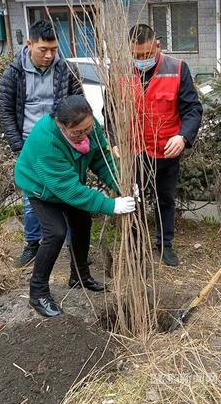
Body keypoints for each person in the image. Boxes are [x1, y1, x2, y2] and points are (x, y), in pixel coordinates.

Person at [14, 95, 136, 317]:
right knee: (55, 233)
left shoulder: (90, 127)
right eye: (77, 132)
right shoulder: (46, 139)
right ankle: (38, 292)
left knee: (82, 223)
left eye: (88, 128)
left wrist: (121, 184)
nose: (84, 134)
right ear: (61, 124)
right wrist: (110, 205)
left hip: (68, 183)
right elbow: (67, 188)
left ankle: (79, 277)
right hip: (40, 188)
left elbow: (101, 159)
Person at [109, 24, 203, 267]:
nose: (141, 60)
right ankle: (135, 243)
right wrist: (113, 140)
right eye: (136, 55)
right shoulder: (118, 72)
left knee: (165, 199)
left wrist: (183, 136)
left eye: (147, 55)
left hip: (165, 150)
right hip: (133, 151)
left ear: (157, 45)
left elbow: (192, 109)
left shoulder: (177, 69)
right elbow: (109, 111)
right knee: (133, 200)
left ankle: (165, 245)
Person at [0, 20, 82, 267]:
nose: (49, 55)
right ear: (29, 44)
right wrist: (18, 147)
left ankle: (69, 246)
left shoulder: (65, 70)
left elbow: (78, 103)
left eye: (54, 49)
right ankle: (32, 244)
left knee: (66, 194)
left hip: (61, 144)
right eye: (43, 49)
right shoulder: (14, 73)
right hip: (29, 146)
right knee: (32, 199)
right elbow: (5, 111)